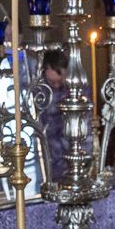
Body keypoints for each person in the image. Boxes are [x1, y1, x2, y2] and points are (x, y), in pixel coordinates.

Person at [40, 48, 69, 179]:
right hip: (46, 155)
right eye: (52, 82)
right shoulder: (38, 91)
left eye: (60, 81)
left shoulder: (72, 89)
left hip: (68, 154)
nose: (57, 86)